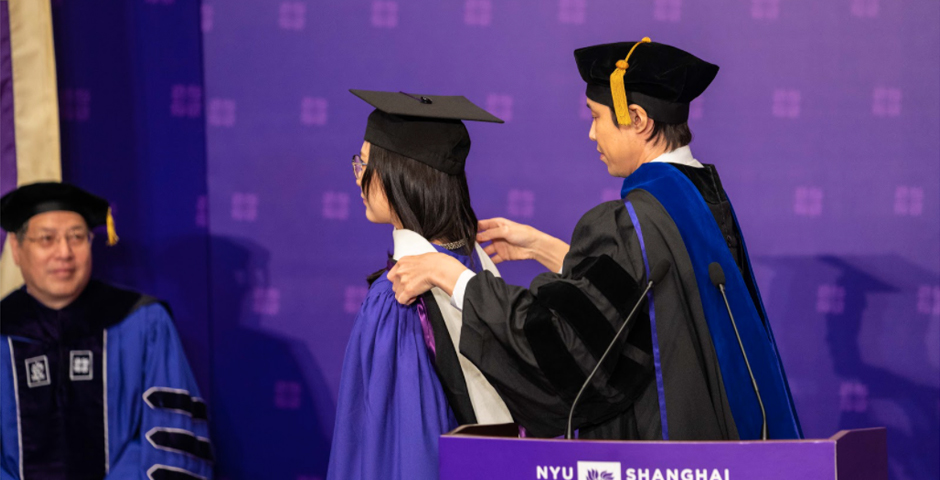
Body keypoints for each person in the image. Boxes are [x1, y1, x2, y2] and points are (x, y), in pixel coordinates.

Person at [388, 40, 803, 441]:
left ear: (638, 119)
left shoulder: (629, 221)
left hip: (657, 455)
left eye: (596, 116)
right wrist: (541, 247)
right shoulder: (698, 197)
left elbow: (561, 343)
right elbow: (645, 292)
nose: (591, 134)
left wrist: (453, 277)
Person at [326, 90, 512, 480]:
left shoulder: (399, 295)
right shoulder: (477, 268)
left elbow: (400, 446)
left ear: (400, 176)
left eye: (364, 163)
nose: (357, 176)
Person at [0, 183, 212, 479]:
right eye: (47, 239)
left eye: (77, 237)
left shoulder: (144, 322)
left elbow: (170, 438)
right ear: (16, 248)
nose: (64, 252)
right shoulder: (5, 327)